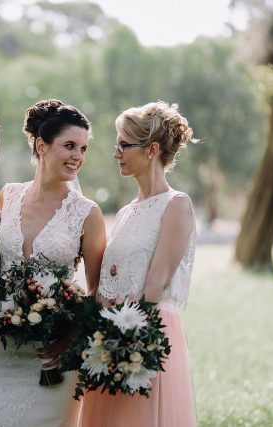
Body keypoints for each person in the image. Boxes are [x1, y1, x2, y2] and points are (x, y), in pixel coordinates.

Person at [0, 99, 107, 427]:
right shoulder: (7, 195)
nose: (77, 157)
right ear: (41, 145)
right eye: (69, 146)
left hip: (54, 358)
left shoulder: (87, 213)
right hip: (2, 348)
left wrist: (70, 338)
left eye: (83, 148)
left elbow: (98, 291)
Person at [80, 101, 198, 427]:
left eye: (123, 145)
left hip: (145, 333)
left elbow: (154, 285)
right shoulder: (124, 212)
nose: (116, 153)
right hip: (111, 337)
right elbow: (108, 280)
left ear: (151, 150)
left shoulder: (176, 205)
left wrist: (127, 344)